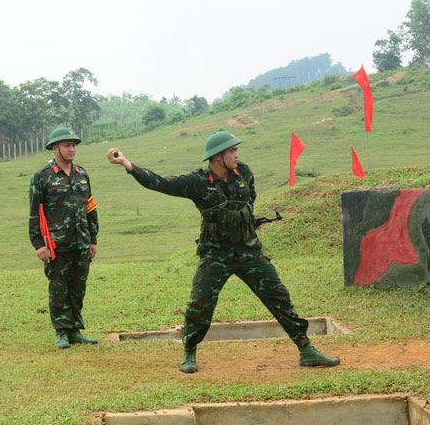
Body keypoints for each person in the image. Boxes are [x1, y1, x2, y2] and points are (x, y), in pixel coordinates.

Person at [106, 130, 339, 373]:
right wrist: (127, 163)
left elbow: (250, 201)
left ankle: (306, 349)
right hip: (215, 255)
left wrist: (242, 221)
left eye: (236, 150)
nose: (236, 155)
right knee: (200, 304)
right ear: (217, 156)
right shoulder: (197, 182)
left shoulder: (244, 173)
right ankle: (189, 351)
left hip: (249, 251)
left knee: (278, 296)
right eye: (231, 151)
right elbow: (161, 183)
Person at [29, 125, 99, 349]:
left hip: (81, 242)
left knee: (78, 288)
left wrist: (93, 239)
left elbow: (90, 208)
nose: (72, 150)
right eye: (67, 145)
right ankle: (61, 331)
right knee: (59, 288)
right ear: (55, 147)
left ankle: (76, 330)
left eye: (74, 146)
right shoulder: (43, 177)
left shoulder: (82, 174)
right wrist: (39, 244)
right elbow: (35, 212)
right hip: (56, 244)